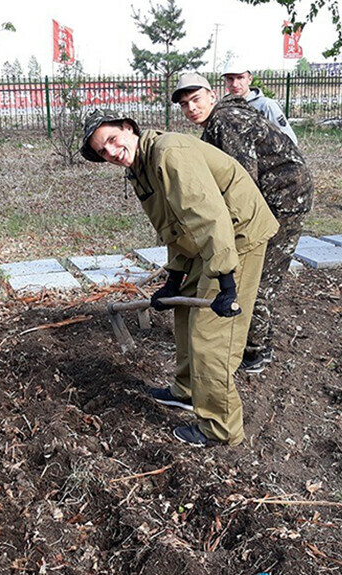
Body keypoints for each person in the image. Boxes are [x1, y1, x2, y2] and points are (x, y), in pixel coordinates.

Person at [81, 109, 278, 447]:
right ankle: (187, 391)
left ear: (129, 128)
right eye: (102, 151)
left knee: (211, 333)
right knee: (185, 312)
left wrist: (226, 282)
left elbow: (209, 217)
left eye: (112, 140)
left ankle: (220, 429)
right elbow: (175, 226)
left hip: (236, 238)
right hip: (211, 240)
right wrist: (174, 278)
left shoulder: (169, 154)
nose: (111, 153)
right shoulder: (140, 169)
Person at [172, 73, 314, 374]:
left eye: (195, 99)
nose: (191, 109)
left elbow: (242, 183)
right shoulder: (215, 124)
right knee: (255, 271)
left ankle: (256, 351)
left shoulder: (226, 121)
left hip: (283, 200)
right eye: (185, 105)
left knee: (259, 276)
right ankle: (258, 342)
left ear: (212, 95)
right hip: (274, 195)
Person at [222, 59, 298, 145]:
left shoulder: (266, 106)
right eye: (230, 79)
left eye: (240, 78)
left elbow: (290, 140)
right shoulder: (223, 108)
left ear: (250, 79)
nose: (235, 84)